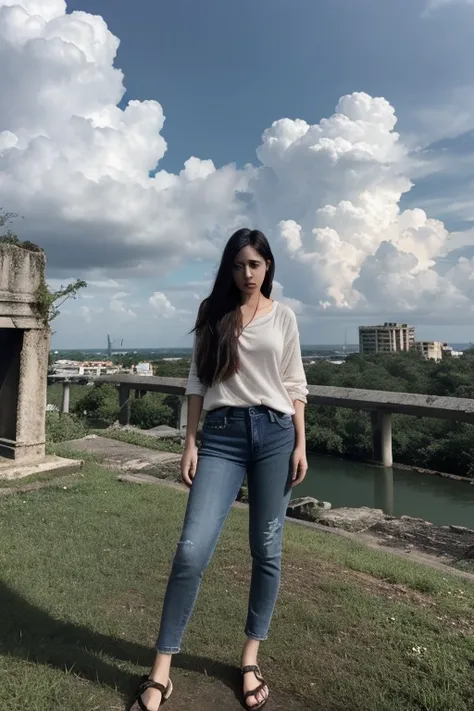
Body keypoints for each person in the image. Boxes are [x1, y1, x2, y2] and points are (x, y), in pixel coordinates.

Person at [131, 228, 308, 711]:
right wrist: (190, 441)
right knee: (191, 550)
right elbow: (196, 380)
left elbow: (294, 383)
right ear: (228, 268)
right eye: (238, 265)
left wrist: (300, 442)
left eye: (254, 264)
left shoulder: (284, 317)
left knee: (266, 548)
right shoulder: (214, 313)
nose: (246, 274)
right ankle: (161, 672)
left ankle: (250, 658)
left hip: (274, 434)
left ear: (268, 266)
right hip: (223, 435)